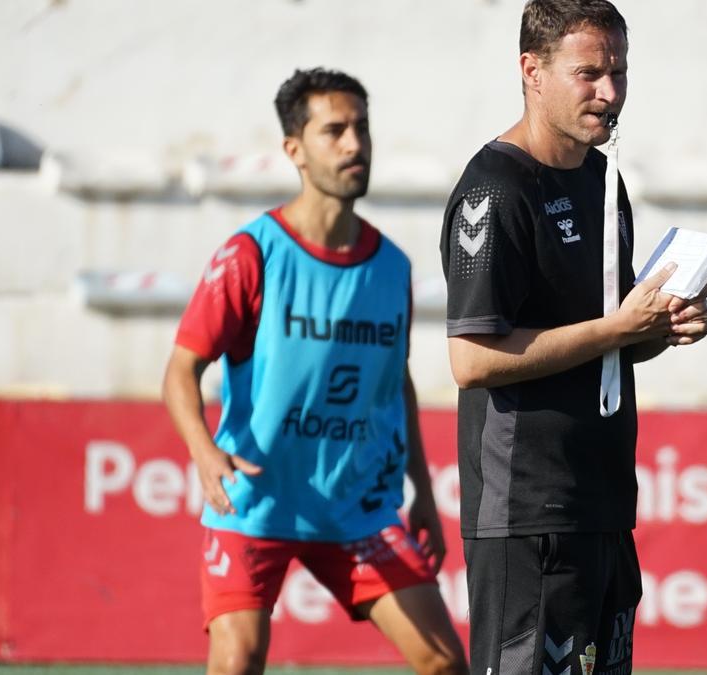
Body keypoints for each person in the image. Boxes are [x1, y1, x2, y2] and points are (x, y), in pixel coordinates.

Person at [439, 2, 707, 674]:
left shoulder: (603, 178)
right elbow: (471, 357)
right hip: (526, 512)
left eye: (619, 72)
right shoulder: (495, 190)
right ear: (532, 71)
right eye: (589, 73)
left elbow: (608, 339)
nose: (610, 92)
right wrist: (618, 327)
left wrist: (656, 327)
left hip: (601, 499)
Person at [163, 68, 466, 675]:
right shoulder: (251, 253)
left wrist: (424, 496)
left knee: (444, 664)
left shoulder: (391, 266)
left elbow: (394, 382)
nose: (355, 144)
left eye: (361, 128)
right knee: (237, 660)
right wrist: (203, 450)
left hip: (356, 506)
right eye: (334, 131)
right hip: (256, 502)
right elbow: (180, 371)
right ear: (294, 150)